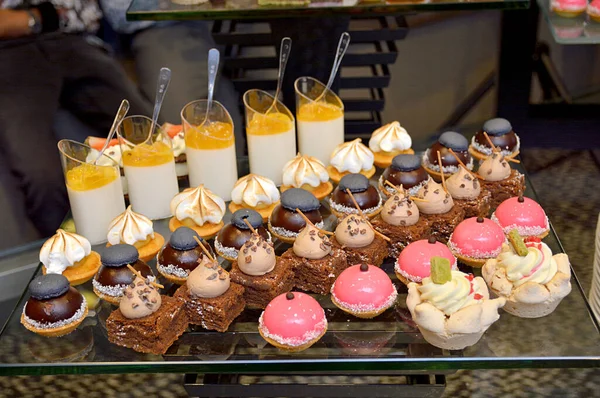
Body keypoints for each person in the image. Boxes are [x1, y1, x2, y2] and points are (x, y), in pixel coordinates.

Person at [0, 0, 152, 250]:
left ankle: (156, 239)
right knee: (41, 175)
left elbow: (86, 13)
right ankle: (66, 260)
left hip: (75, 41)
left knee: (148, 135)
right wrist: (42, 15)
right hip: (9, 54)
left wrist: (32, 18)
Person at [99, 0, 245, 154]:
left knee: (215, 137)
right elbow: (120, 14)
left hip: (180, 26)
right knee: (182, 135)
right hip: (150, 27)